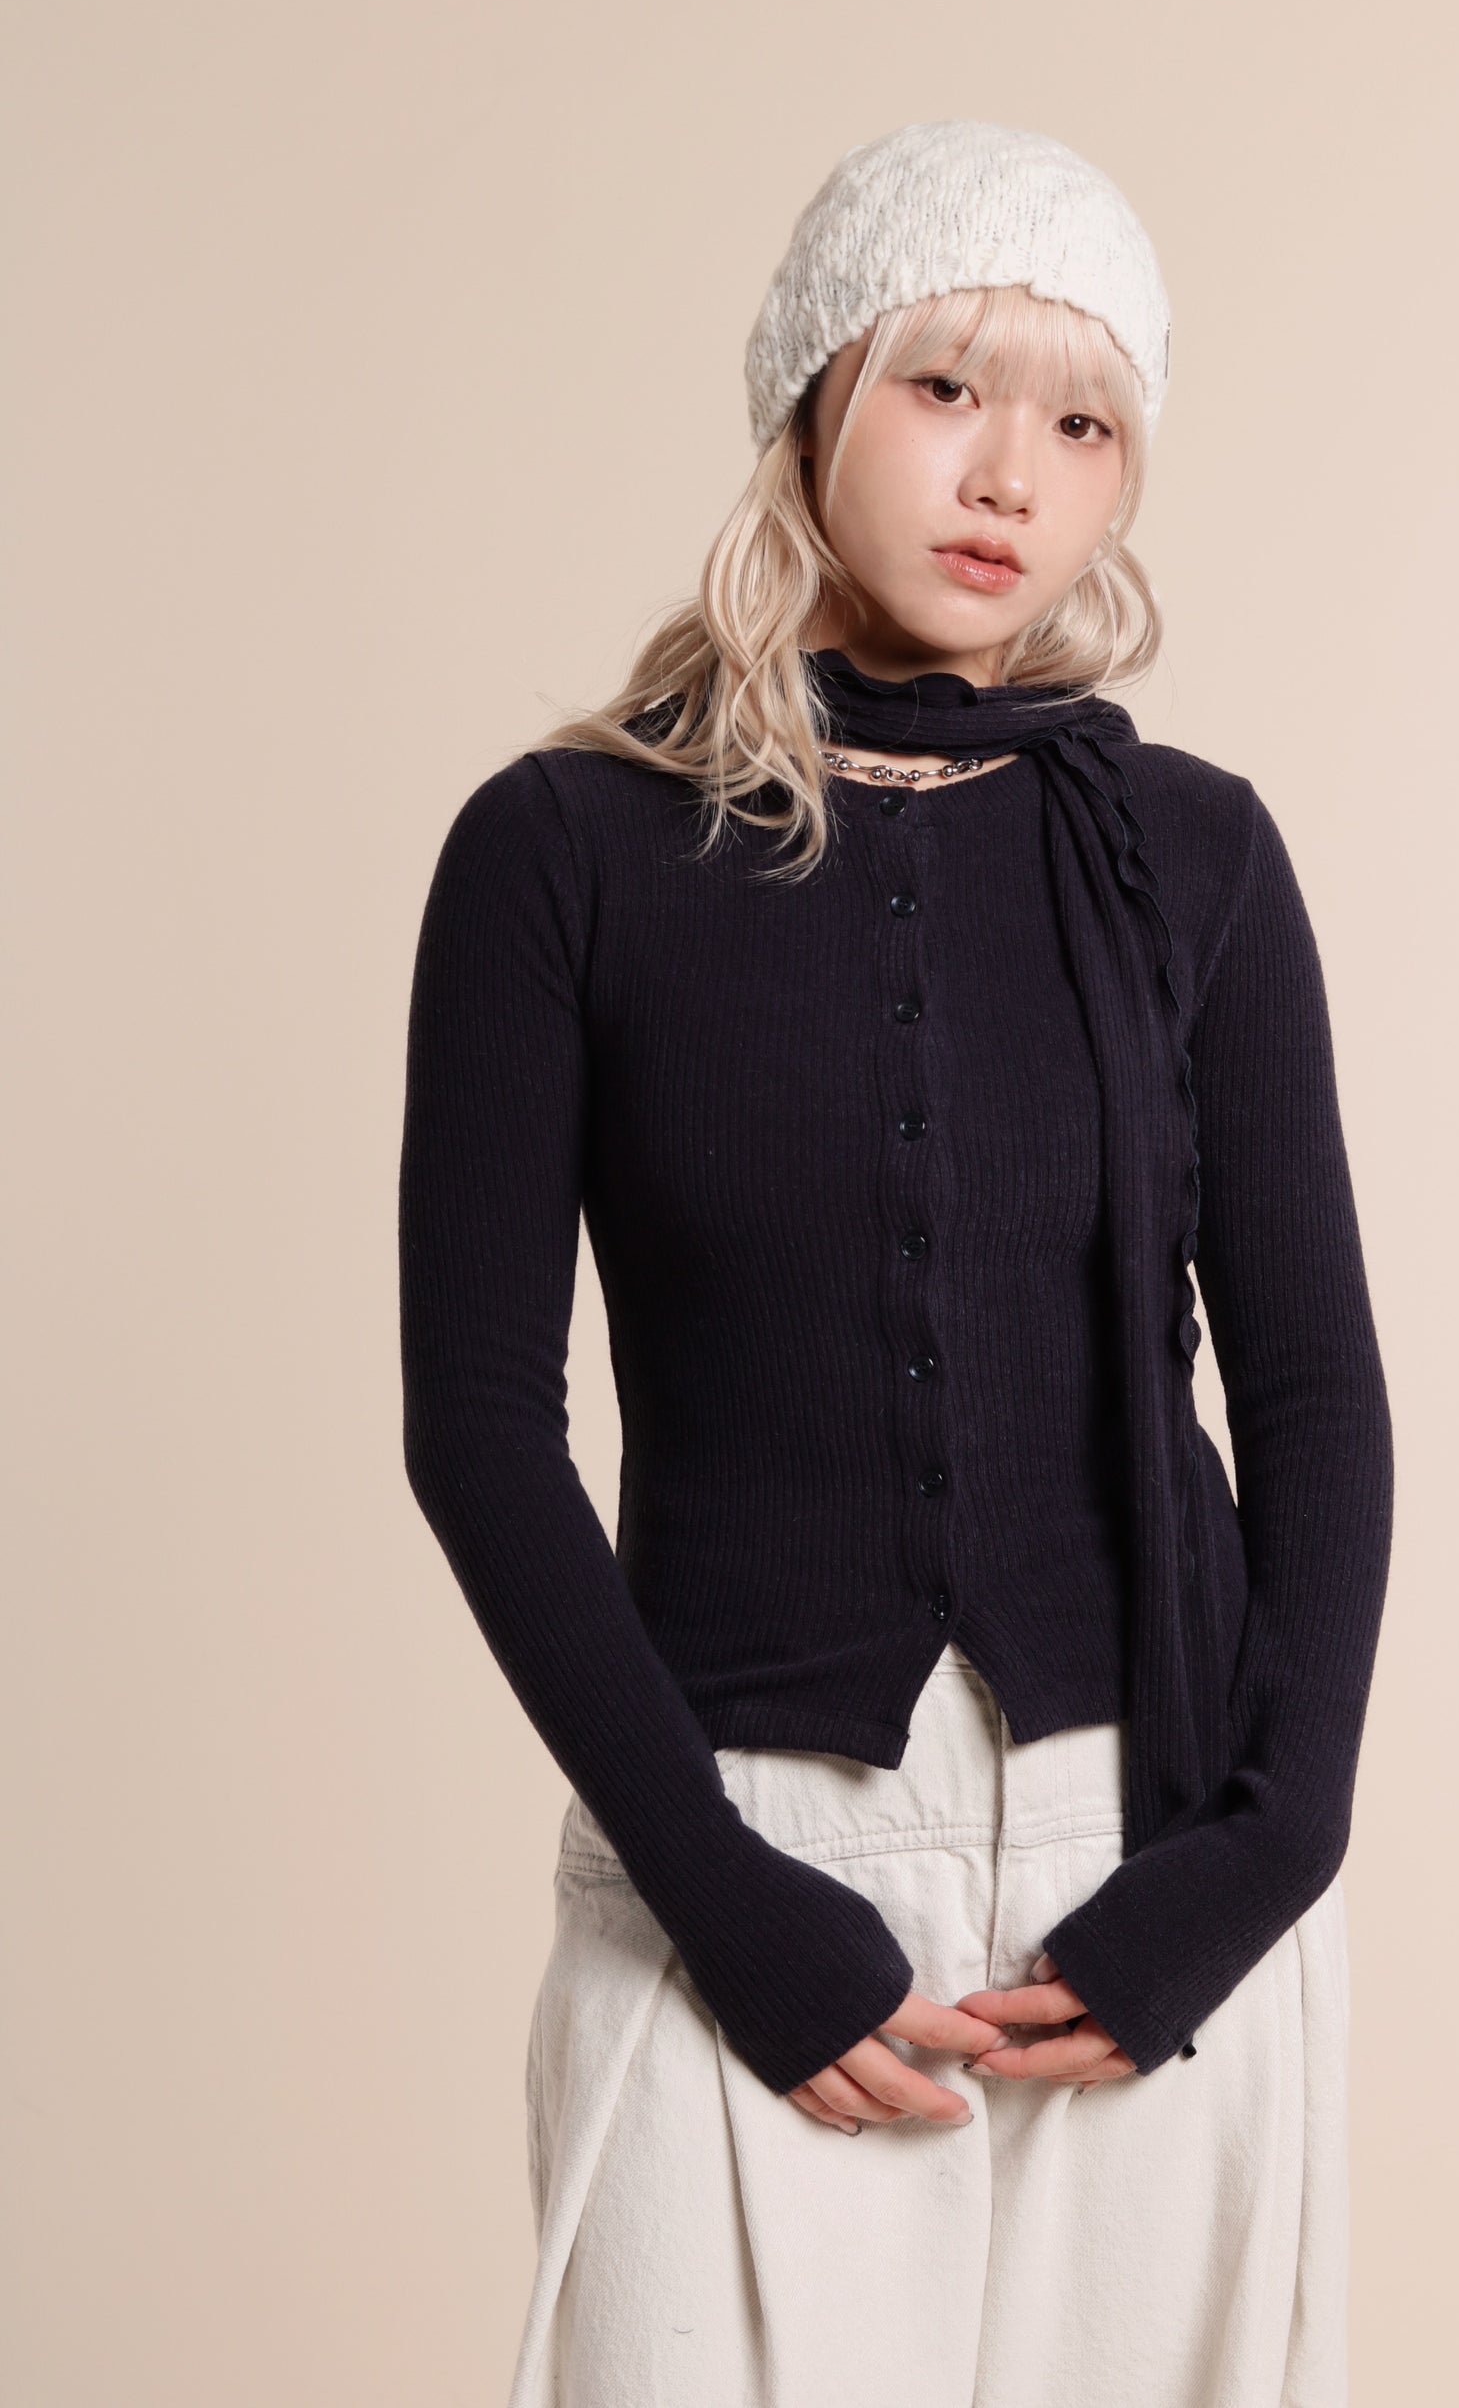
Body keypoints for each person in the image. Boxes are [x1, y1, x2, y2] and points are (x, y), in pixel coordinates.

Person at [397, 118, 1394, 2408]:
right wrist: (717, 1897)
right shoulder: (562, 851)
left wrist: (1267, 1847)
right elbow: (479, 1423)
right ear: (811, 393)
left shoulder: (1201, 857)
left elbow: (1312, 1392)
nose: (1009, 474)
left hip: (1158, 1860)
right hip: (732, 1845)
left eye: (1085, 423)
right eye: (945, 385)